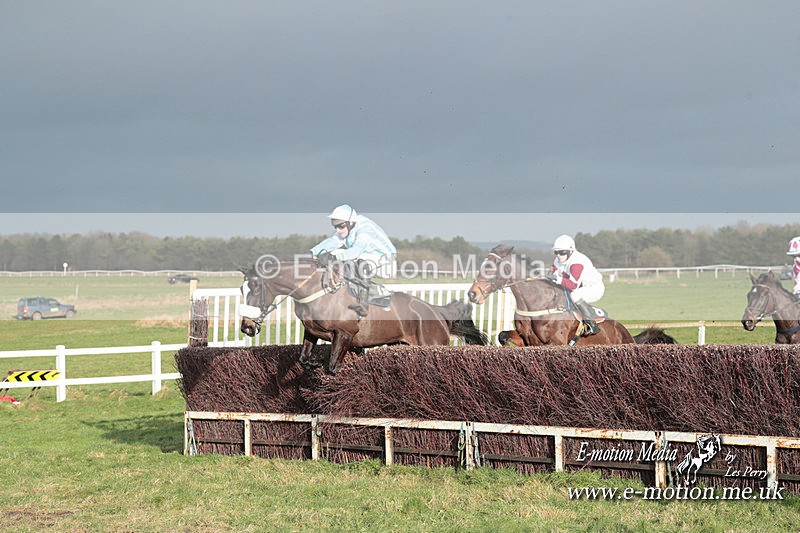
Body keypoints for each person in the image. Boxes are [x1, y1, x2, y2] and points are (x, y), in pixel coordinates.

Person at [310, 204, 397, 317]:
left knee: (357, 259)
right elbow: (332, 242)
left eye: (340, 226)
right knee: (337, 254)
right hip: (371, 261)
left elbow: (355, 251)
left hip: (387, 264)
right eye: (335, 227)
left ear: (350, 223)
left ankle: (363, 303)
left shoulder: (365, 228)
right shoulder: (348, 227)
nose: (338, 230)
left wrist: (332, 257)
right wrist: (312, 252)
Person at [544, 234, 604, 335]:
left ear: (571, 251)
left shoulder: (577, 262)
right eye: (556, 252)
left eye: (562, 252)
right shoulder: (558, 260)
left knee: (574, 295)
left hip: (593, 288)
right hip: (579, 286)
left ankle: (591, 324)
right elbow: (554, 273)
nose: (558, 255)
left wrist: (557, 279)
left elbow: (573, 285)